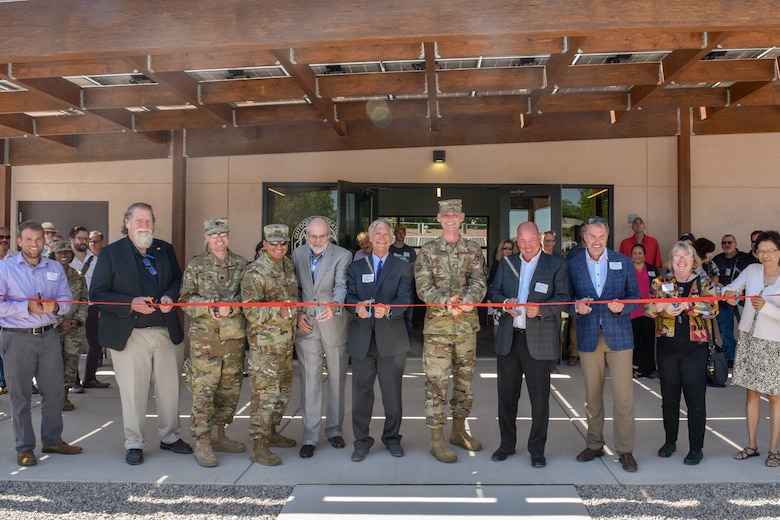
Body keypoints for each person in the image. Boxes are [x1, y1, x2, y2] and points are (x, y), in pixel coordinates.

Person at [89, 202, 192, 466]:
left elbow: (178, 280)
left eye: (148, 221)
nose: (144, 225)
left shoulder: (164, 249)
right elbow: (97, 294)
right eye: (139, 221)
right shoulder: (111, 253)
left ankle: (170, 436)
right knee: (133, 392)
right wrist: (130, 303)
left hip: (166, 331)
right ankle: (134, 442)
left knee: (170, 389)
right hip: (130, 333)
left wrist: (170, 295)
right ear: (127, 223)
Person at [0, 220, 82, 466]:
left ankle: (52, 440)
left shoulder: (55, 268)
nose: (34, 244)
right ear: (19, 242)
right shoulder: (5, 268)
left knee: (55, 391)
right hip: (17, 337)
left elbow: (67, 300)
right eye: (28, 239)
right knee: (21, 396)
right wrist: (26, 306)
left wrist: (56, 306)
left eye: (38, 239)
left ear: (43, 241)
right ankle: (24, 447)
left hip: (48, 336)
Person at [489, 222, 570, 468]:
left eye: (531, 240)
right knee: (506, 397)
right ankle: (506, 445)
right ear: (517, 241)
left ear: (540, 238)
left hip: (538, 340)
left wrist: (541, 310)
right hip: (509, 338)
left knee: (539, 399)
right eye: (522, 241)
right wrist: (505, 303)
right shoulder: (507, 263)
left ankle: (537, 450)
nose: (527, 246)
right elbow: (493, 292)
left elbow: (564, 299)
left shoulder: (556, 264)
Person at [414, 199, 487, 463]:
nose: (450, 219)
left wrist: (469, 299)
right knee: (436, 385)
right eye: (446, 215)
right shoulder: (428, 250)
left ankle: (458, 432)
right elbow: (422, 286)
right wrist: (445, 302)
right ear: (439, 218)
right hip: (438, 329)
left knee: (464, 383)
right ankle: (436, 441)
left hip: (466, 327)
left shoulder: (473, 249)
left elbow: (479, 280)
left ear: (462, 217)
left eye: (455, 215)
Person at [568, 216, 641, 473]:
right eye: (592, 236)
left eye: (601, 236)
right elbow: (566, 299)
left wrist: (624, 307)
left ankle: (626, 449)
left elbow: (636, 297)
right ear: (584, 237)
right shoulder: (574, 264)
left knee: (623, 398)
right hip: (589, 336)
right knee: (592, 397)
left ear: (607, 237)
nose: (597, 241)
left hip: (619, 335)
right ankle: (595, 443)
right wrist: (576, 306)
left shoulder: (623, 261)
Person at [179, 218, 249, 467]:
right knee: (204, 392)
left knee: (229, 392)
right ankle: (202, 441)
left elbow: (249, 298)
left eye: (223, 234)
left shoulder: (241, 264)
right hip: (205, 342)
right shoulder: (196, 265)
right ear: (206, 237)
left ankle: (219, 434)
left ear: (228, 235)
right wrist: (208, 307)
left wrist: (233, 308)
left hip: (233, 340)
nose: (219, 239)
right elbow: (185, 299)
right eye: (214, 234)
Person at [645, 241, 719, 465]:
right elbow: (647, 308)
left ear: (692, 259)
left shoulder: (703, 281)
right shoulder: (661, 281)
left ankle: (696, 448)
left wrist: (688, 306)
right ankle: (670, 442)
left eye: (685, 256)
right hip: (667, 348)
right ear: (671, 260)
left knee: (695, 400)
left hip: (694, 349)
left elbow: (713, 308)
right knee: (669, 399)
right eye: (677, 257)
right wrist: (661, 307)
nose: (681, 260)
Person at [346, 218, 414, 462]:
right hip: (362, 340)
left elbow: (405, 299)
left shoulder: (403, 267)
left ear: (392, 238)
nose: (383, 238)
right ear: (370, 238)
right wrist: (357, 308)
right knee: (361, 395)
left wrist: (389, 309)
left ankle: (392, 439)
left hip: (392, 341)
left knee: (392, 394)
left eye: (386, 234)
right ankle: (361, 442)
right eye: (378, 234)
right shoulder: (355, 268)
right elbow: (349, 297)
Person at [292, 217, 351, 459]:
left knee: (337, 379)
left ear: (330, 235)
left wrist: (335, 305)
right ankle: (309, 436)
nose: (318, 241)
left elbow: (342, 285)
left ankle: (335, 429)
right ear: (306, 235)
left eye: (322, 236)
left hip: (333, 322)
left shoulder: (342, 255)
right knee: (310, 382)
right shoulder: (296, 254)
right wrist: (297, 313)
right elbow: (293, 288)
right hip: (306, 325)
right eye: (313, 237)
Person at [241, 224, 299, 466]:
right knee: (265, 396)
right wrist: (280, 311)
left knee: (282, 394)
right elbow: (250, 310)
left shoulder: (287, 266)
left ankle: (272, 432)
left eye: (283, 242)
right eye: (273, 242)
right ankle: (259, 445)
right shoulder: (254, 272)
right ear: (264, 244)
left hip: (286, 345)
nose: (279, 246)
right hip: (265, 348)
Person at [723, 230, 780, 468]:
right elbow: (732, 288)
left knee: (775, 398)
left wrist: (766, 307)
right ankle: (751, 445)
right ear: (755, 252)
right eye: (761, 251)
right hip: (748, 338)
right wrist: (729, 294)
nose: (765, 255)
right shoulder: (752, 271)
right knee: (752, 394)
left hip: (773, 343)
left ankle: (774, 450)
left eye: (770, 251)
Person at [49, 240, 88, 411]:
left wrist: (78, 320)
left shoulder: (78, 276)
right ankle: (53, 396)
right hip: (53, 327)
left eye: (67, 252)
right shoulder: (47, 275)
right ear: (53, 255)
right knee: (52, 362)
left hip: (74, 327)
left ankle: (64, 395)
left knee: (71, 362)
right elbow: (43, 301)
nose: (64, 256)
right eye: (60, 253)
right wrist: (59, 322)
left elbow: (84, 300)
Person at [712, 234, 758, 364]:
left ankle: (746, 357)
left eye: (729, 242)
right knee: (725, 329)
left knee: (746, 329)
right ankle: (731, 357)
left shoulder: (744, 259)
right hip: (724, 300)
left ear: (735, 243)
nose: (727, 245)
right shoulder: (717, 259)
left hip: (744, 302)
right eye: (724, 243)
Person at [83, 230, 110, 389]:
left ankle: (90, 377)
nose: (93, 244)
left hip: (103, 306)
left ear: (102, 242)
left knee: (98, 344)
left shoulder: (106, 260)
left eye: (95, 241)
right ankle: (86, 379)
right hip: (87, 307)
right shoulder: (87, 261)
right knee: (92, 344)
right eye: (90, 241)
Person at [630, 243, 659, 379]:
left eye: (640, 253)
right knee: (634, 341)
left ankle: (648, 369)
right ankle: (635, 368)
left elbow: (658, 288)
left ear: (645, 255)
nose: (637, 256)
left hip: (648, 311)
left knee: (648, 341)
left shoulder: (652, 269)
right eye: (635, 253)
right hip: (632, 311)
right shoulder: (627, 269)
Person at [389, 225, 417, 336]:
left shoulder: (410, 251)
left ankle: (408, 343)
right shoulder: (390, 249)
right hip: (392, 287)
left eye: (403, 232)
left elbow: (413, 267)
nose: (400, 235)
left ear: (405, 234)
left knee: (408, 318)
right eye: (398, 232)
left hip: (407, 287)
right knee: (393, 316)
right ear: (395, 234)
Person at [487, 239, 517, 338]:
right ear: (501, 250)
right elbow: (491, 282)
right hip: (499, 298)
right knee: (497, 322)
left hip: (512, 298)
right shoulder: (497, 264)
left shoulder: (517, 264)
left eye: (510, 248)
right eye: (505, 248)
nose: (507, 251)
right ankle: (497, 346)